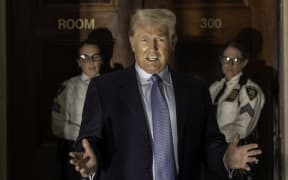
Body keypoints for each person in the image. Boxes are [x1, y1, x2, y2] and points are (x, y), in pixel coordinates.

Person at [69, 9, 262, 180]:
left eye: (160, 39)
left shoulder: (196, 90)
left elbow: (209, 143)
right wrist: (90, 160)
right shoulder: (104, 88)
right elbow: (89, 140)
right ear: (132, 42)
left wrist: (225, 159)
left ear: (172, 42)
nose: (152, 48)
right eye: (144, 40)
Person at [51, 39, 107, 180]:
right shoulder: (68, 87)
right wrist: (85, 139)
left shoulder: (112, 86)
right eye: (84, 58)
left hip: (107, 150)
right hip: (75, 150)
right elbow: (58, 126)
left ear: (102, 60)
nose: (91, 62)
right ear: (78, 62)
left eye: (95, 57)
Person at [209, 41, 265, 179]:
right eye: (226, 59)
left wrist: (215, 139)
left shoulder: (249, 90)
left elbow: (243, 127)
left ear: (244, 62)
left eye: (235, 60)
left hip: (235, 156)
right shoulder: (215, 88)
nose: (230, 64)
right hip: (213, 156)